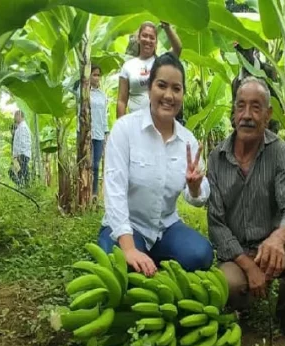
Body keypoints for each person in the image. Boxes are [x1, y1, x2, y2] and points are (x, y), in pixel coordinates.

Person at [207, 76, 285, 346]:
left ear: (267, 115)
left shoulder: (278, 152)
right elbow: (217, 225)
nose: (247, 115)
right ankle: (242, 304)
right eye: (241, 107)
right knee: (228, 284)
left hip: (271, 251)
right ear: (233, 113)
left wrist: (278, 238)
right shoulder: (216, 158)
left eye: (256, 108)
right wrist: (248, 266)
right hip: (237, 254)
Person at [98, 52, 213, 276]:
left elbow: (199, 197)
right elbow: (114, 192)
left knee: (201, 255)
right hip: (127, 226)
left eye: (176, 89)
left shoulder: (187, 141)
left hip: (165, 227)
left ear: (182, 94)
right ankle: (140, 257)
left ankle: (152, 260)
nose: (168, 95)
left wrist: (194, 187)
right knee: (119, 266)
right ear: (150, 88)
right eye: (162, 85)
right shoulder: (125, 130)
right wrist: (129, 248)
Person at [117, 21, 182, 118]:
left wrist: (167, 27)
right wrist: (121, 127)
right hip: (135, 123)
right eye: (145, 36)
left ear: (156, 43)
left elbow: (177, 48)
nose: (148, 40)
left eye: (152, 38)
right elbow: (122, 100)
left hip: (158, 122)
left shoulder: (161, 63)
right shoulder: (128, 66)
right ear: (138, 39)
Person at [75, 64, 110, 198]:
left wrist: (106, 132)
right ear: (88, 75)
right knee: (83, 163)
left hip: (99, 134)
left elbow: (104, 115)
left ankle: (94, 193)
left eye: (98, 75)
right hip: (85, 132)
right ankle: (82, 192)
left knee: (95, 165)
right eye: (94, 74)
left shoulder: (102, 95)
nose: (96, 77)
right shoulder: (81, 91)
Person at [231, 43, 280, 133]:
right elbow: (233, 113)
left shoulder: (268, 72)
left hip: (268, 133)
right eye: (240, 52)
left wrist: (270, 133)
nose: (243, 55)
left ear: (252, 50)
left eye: (246, 51)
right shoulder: (236, 82)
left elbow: (277, 107)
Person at [11, 110, 32, 187]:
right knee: (19, 172)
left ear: (20, 116)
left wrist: (19, 154)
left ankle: (26, 186)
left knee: (23, 171)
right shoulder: (20, 127)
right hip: (20, 154)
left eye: (15, 116)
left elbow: (22, 142)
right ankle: (22, 186)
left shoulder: (23, 127)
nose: (15, 118)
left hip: (22, 154)